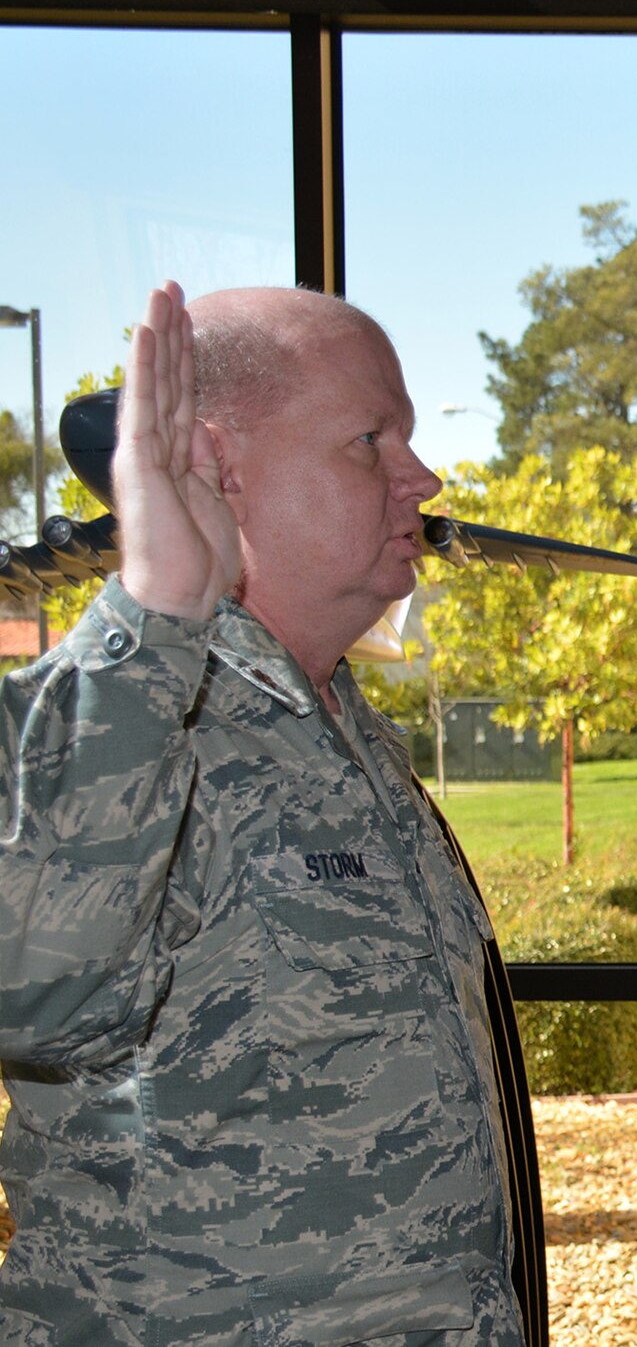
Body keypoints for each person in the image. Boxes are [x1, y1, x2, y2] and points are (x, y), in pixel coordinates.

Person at [0, 283, 543, 1345]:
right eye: (369, 438)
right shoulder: (113, 716)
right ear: (218, 467)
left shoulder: (335, 718)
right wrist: (155, 613)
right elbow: (29, 985)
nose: (422, 478)